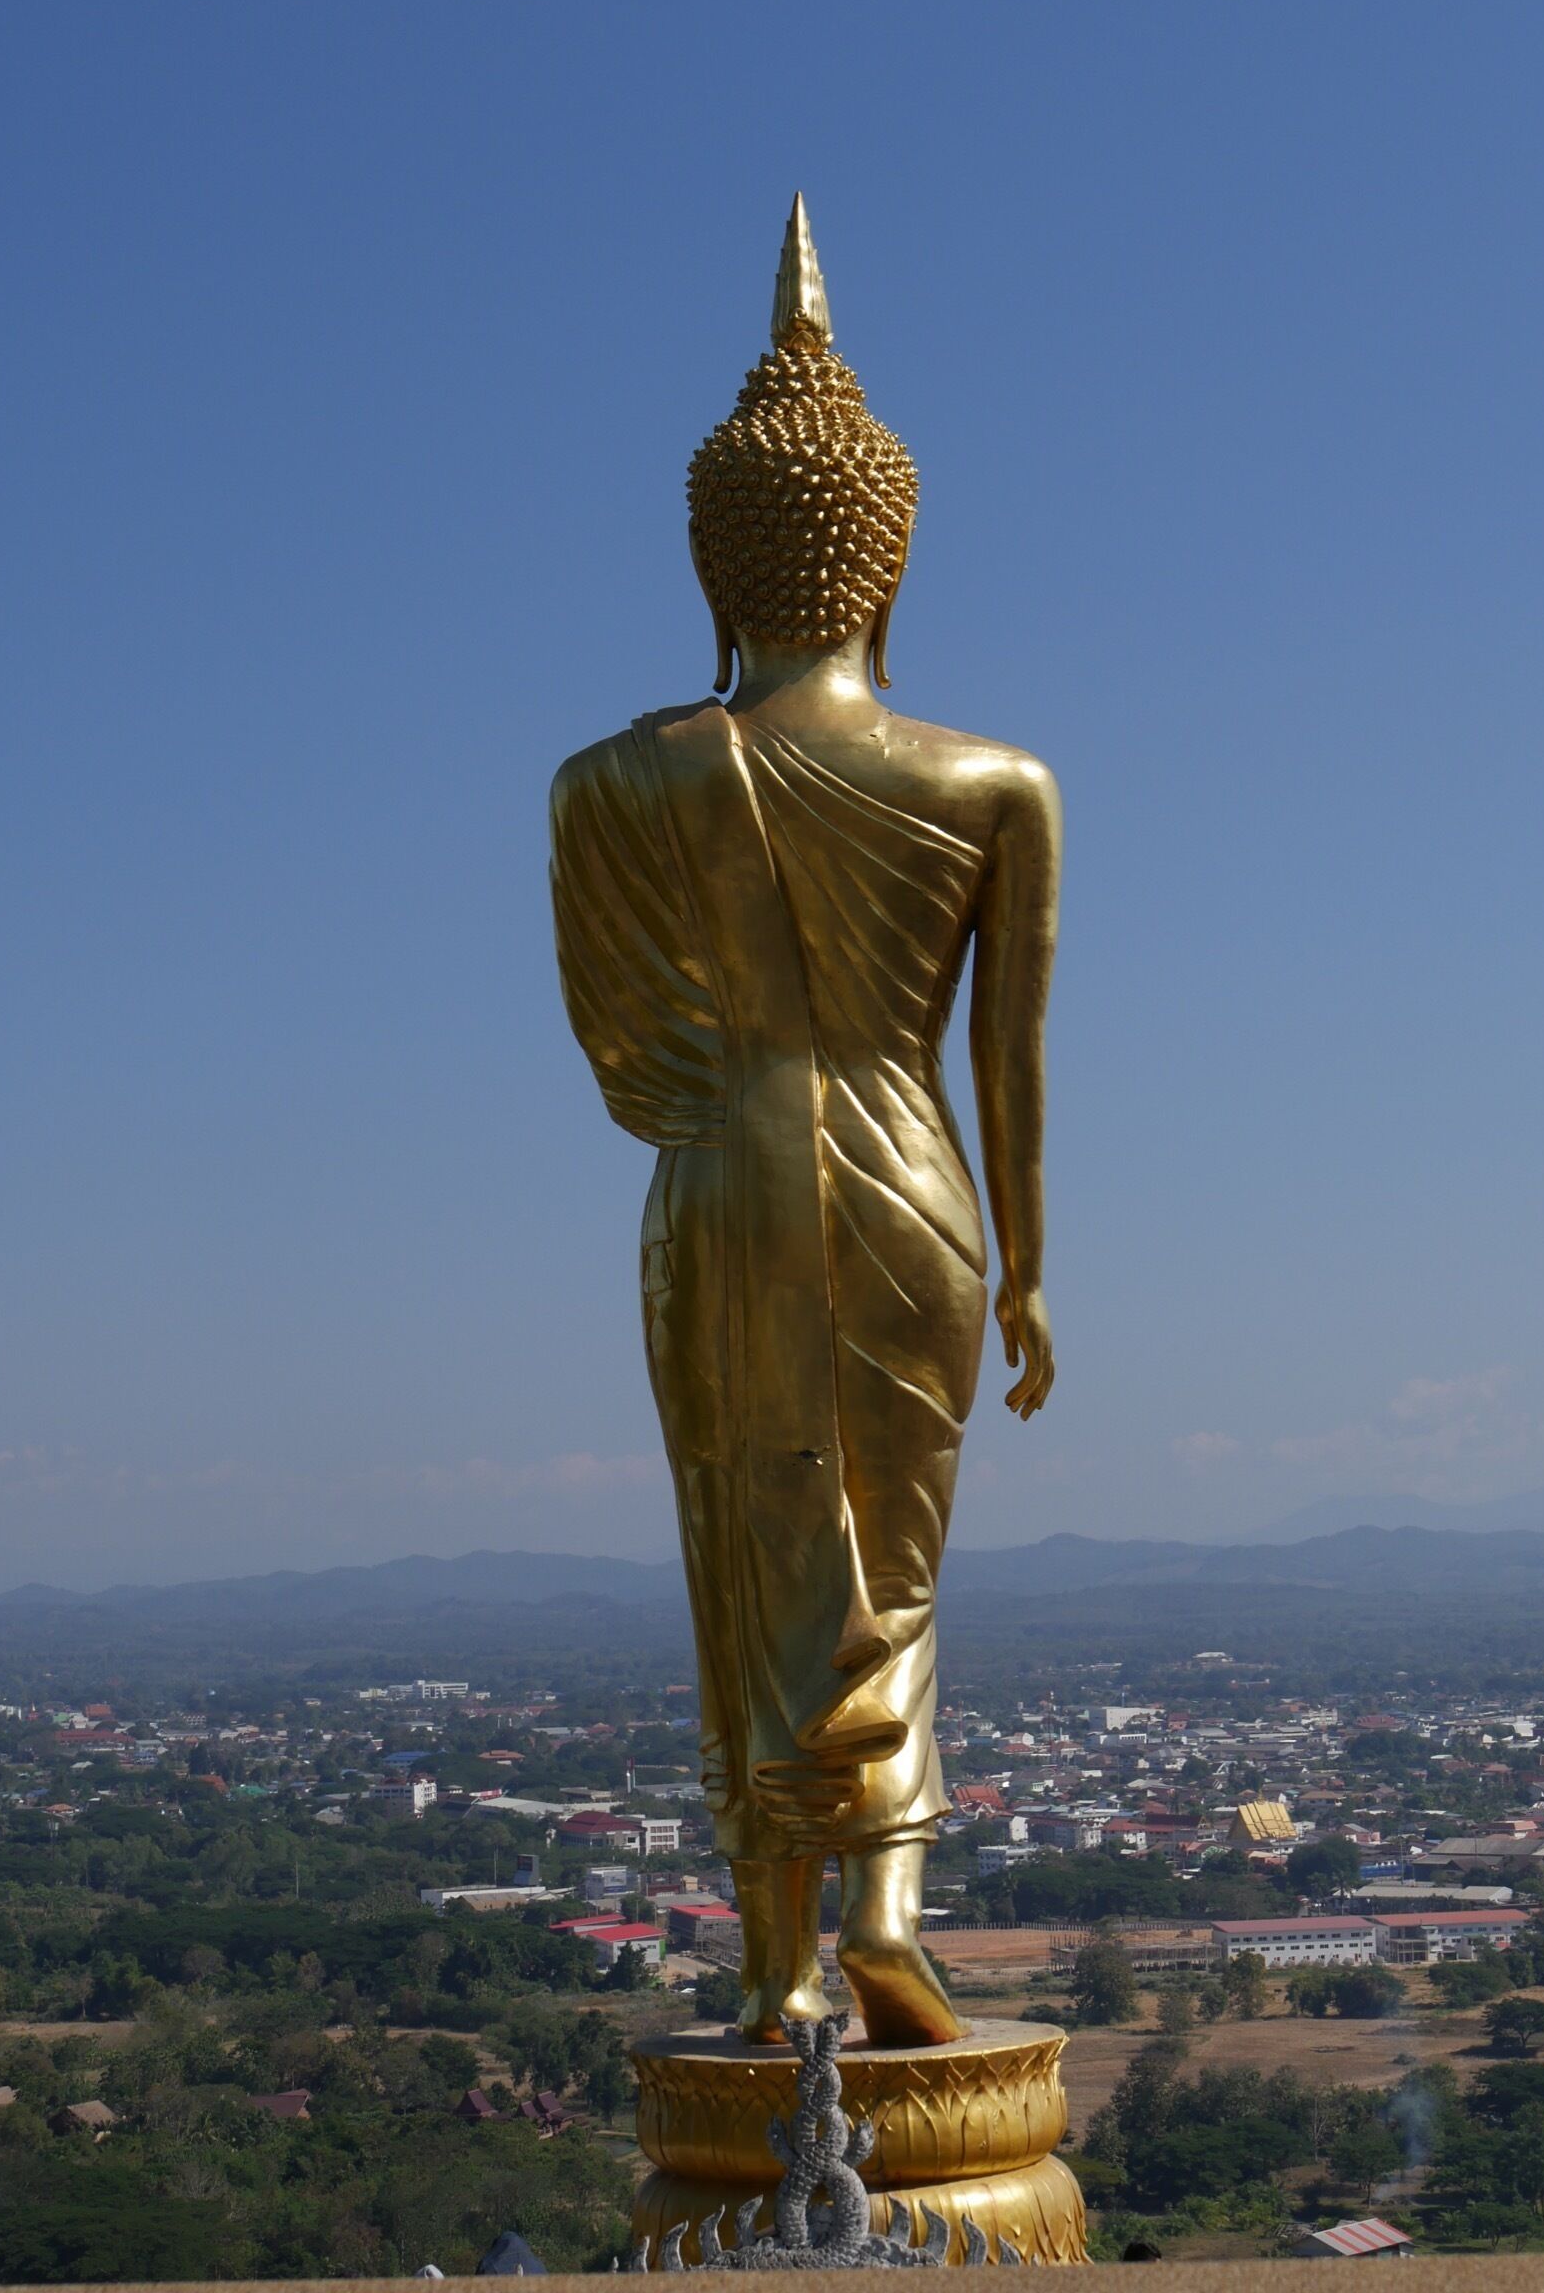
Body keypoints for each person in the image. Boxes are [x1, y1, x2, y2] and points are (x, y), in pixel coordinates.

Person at [551, 199, 1061, 2048]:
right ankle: (887, 1911)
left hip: (718, 1184)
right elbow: (1008, 1064)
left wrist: (718, 1130)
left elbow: (622, 1048)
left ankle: (773, 1963)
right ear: (888, 566)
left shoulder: (613, 782)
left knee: (751, 1546)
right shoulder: (995, 782)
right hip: (919, 1184)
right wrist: (1029, 1272)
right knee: (893, 1565)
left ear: (719, 570)